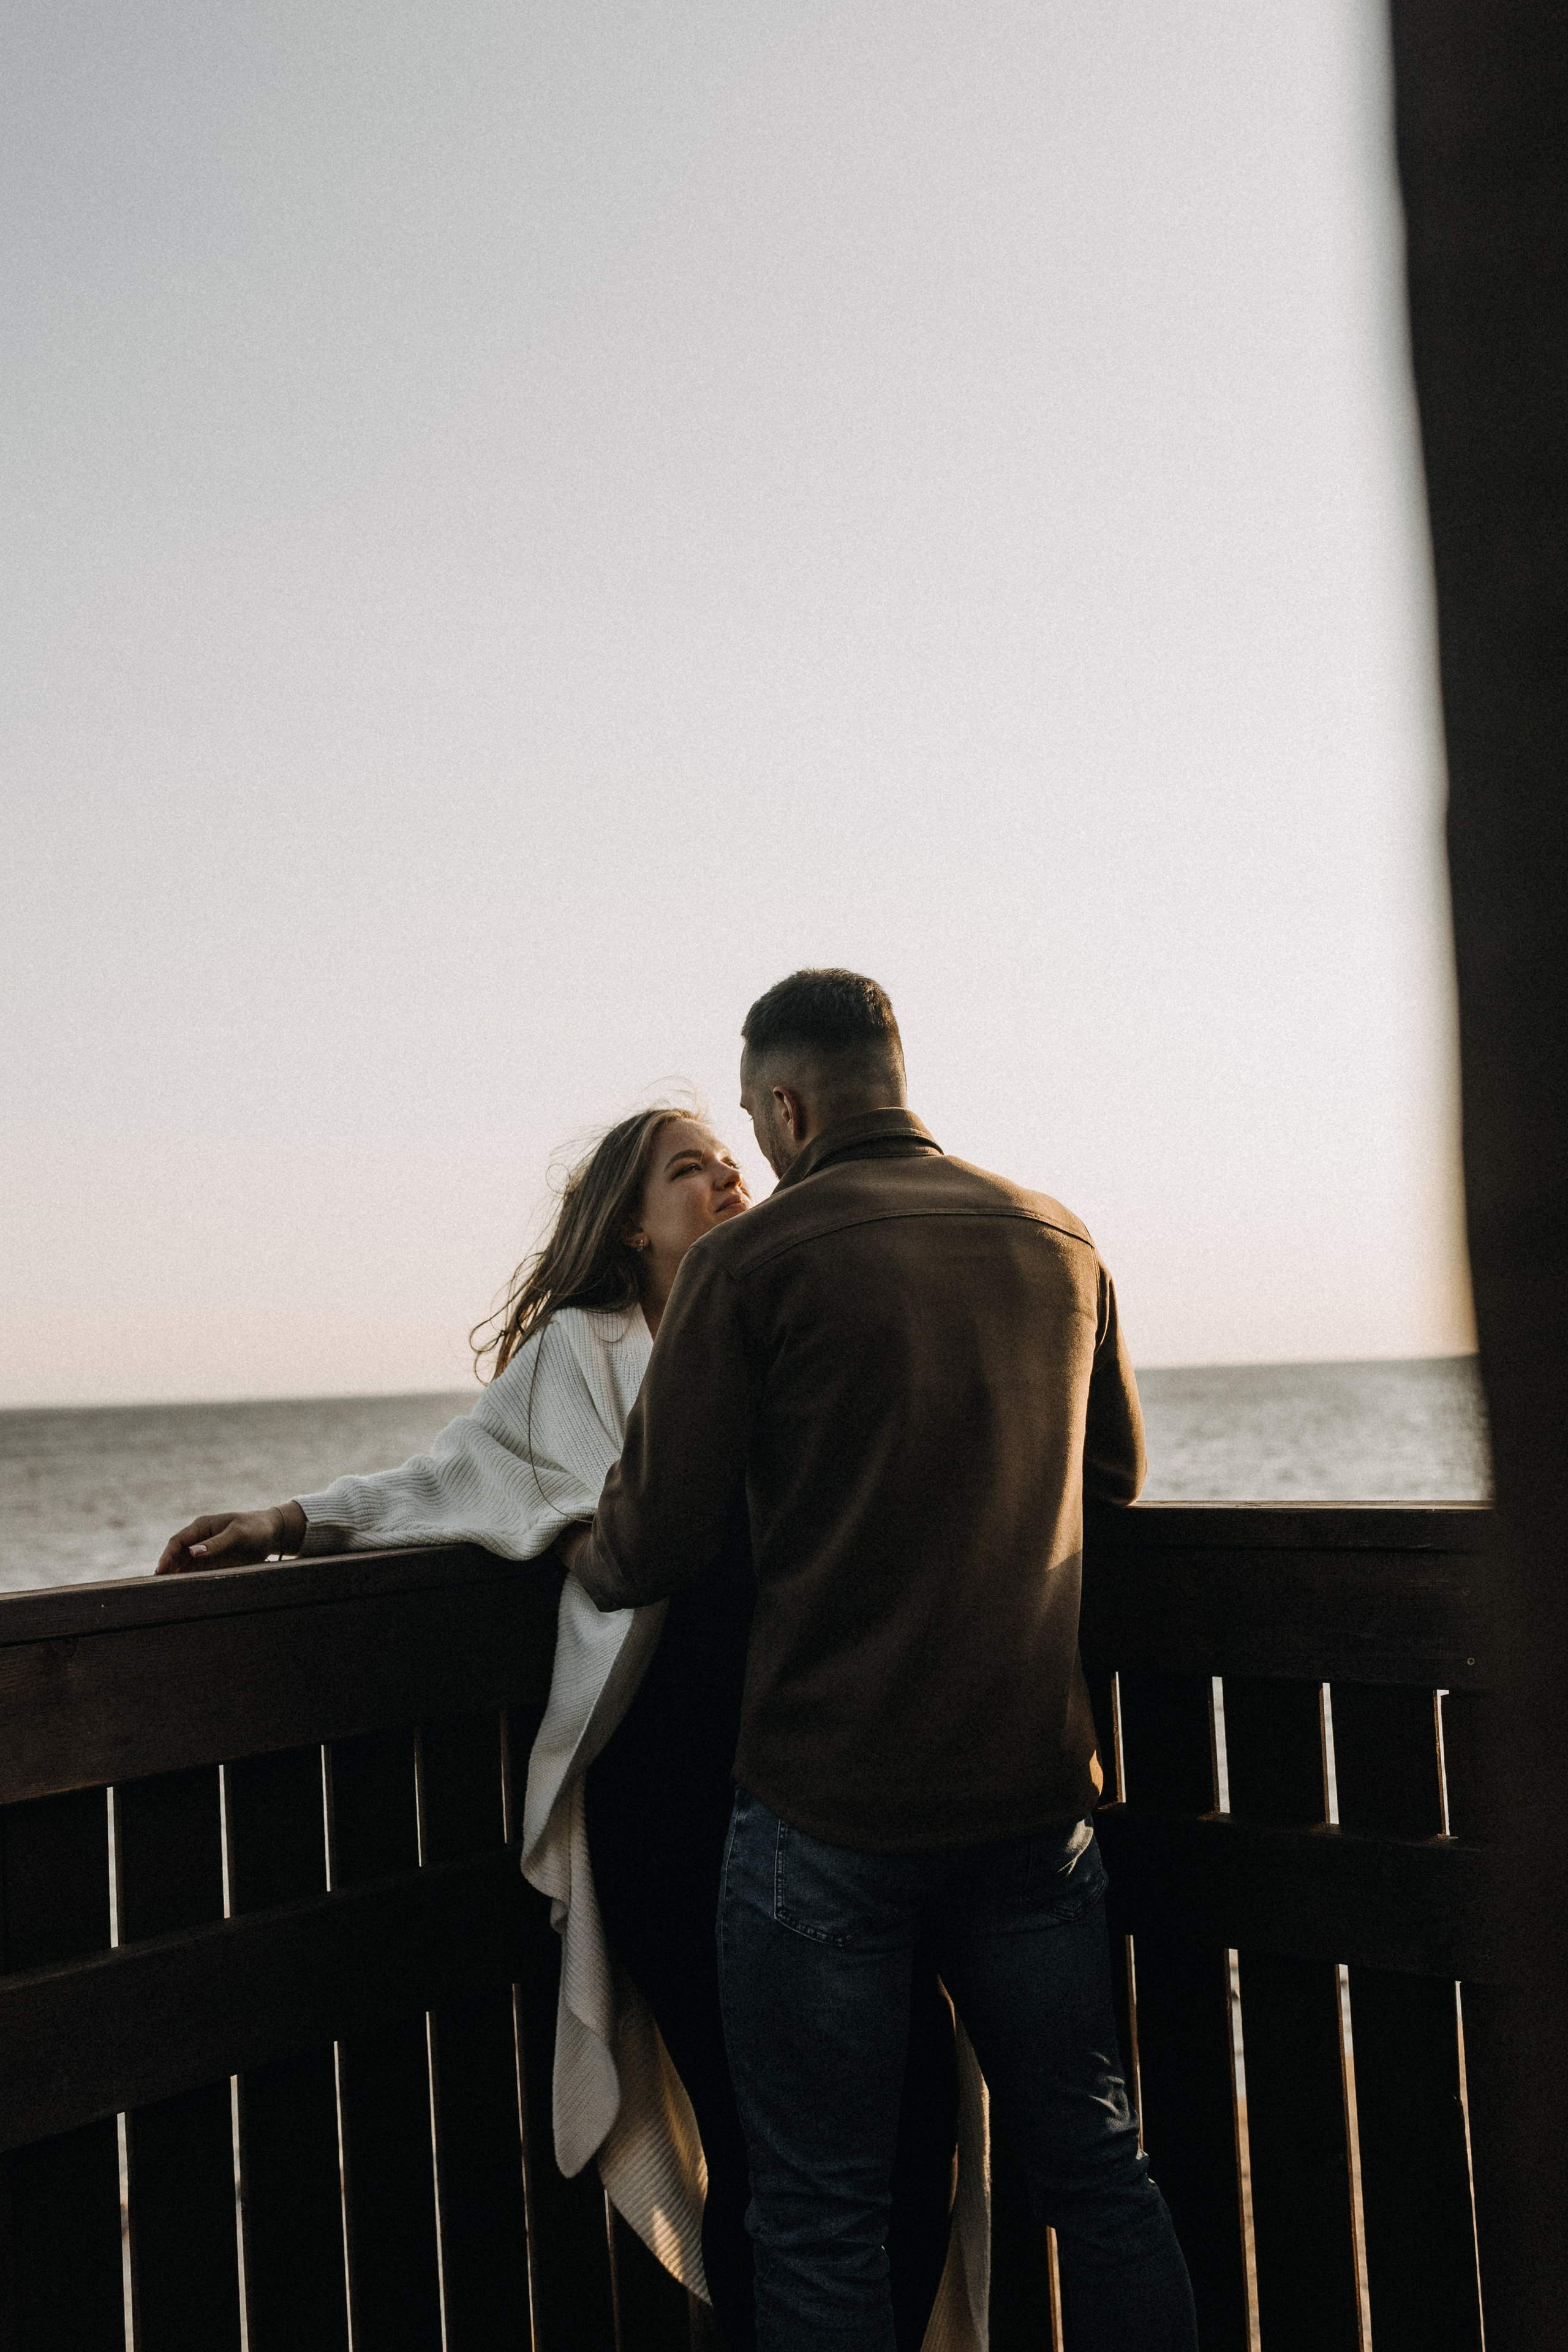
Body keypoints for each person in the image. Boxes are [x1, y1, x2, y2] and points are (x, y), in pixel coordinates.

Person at [156, 1106, 966, 2352]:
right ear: (629, 1222)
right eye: (688, 1171)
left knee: (918, 2115)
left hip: (832, 1795)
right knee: (761, 2139)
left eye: (730, 1162)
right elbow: (447, 1477)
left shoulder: (794, 1325)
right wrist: (291, 1519)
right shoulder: (581, 1357)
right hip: (673, 1799)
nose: (724, 1180)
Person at [565, 972, 1200, 2352]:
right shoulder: (1057, 1237)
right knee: (1096, 2173)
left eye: (752, 1116)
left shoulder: (753, 1263)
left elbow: (651, 1540)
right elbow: (1114, 1477)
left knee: (816, 2213)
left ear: (788, 1103)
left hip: (824, 1817)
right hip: (1033, 1805)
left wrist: (582, 1550)